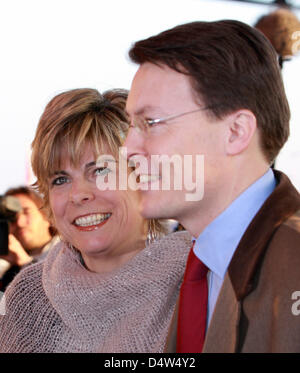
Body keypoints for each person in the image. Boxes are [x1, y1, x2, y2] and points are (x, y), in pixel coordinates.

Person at [124, 20, 300, 352]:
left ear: (235, 132)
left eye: (151, 123)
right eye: (131, 124)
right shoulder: (194, 265)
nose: (129, 148)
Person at [0, 88, 190, 353]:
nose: (79, 194)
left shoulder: (200, 281)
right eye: (60, 179)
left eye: (100, 170)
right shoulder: (27, 298)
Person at [0, 186, 57, 291]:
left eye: (26, 212)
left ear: (47, 216)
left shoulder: (72, 250)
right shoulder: (8, 265)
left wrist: (25, 263)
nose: (19, 223)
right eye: (12, 217)